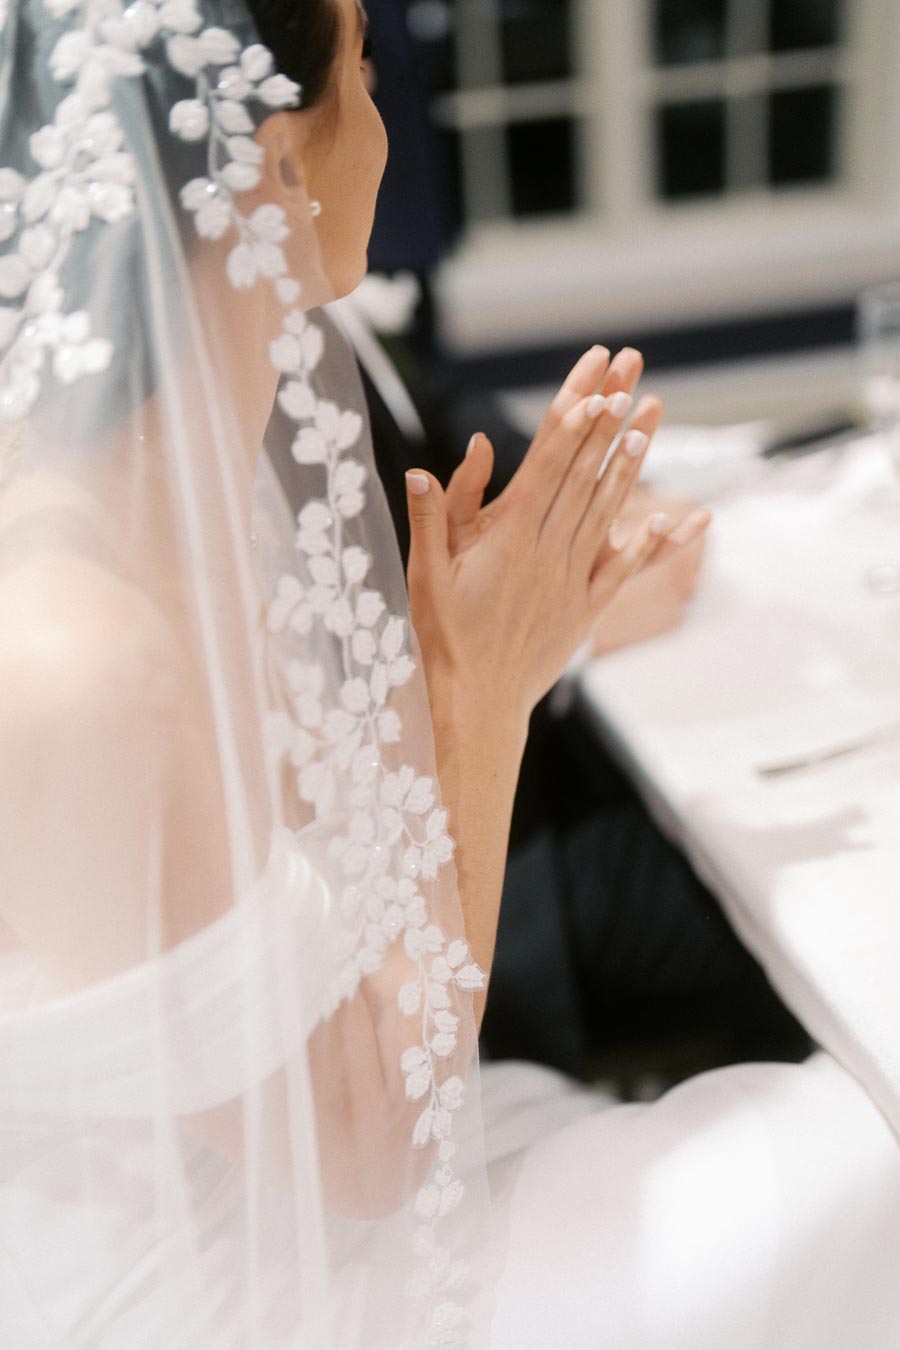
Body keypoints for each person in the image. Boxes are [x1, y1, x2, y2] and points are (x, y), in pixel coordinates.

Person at [2, 3, 899, 1349]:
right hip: (227, 1295)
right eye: (361, 67)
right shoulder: (70, 651)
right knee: (870, 1151)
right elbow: (363, 1146)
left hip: (329, 1152)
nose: (384, 115)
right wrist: (476, 681)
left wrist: (496, 628)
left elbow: (322, 937)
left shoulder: (213, 483)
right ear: (286, 162)